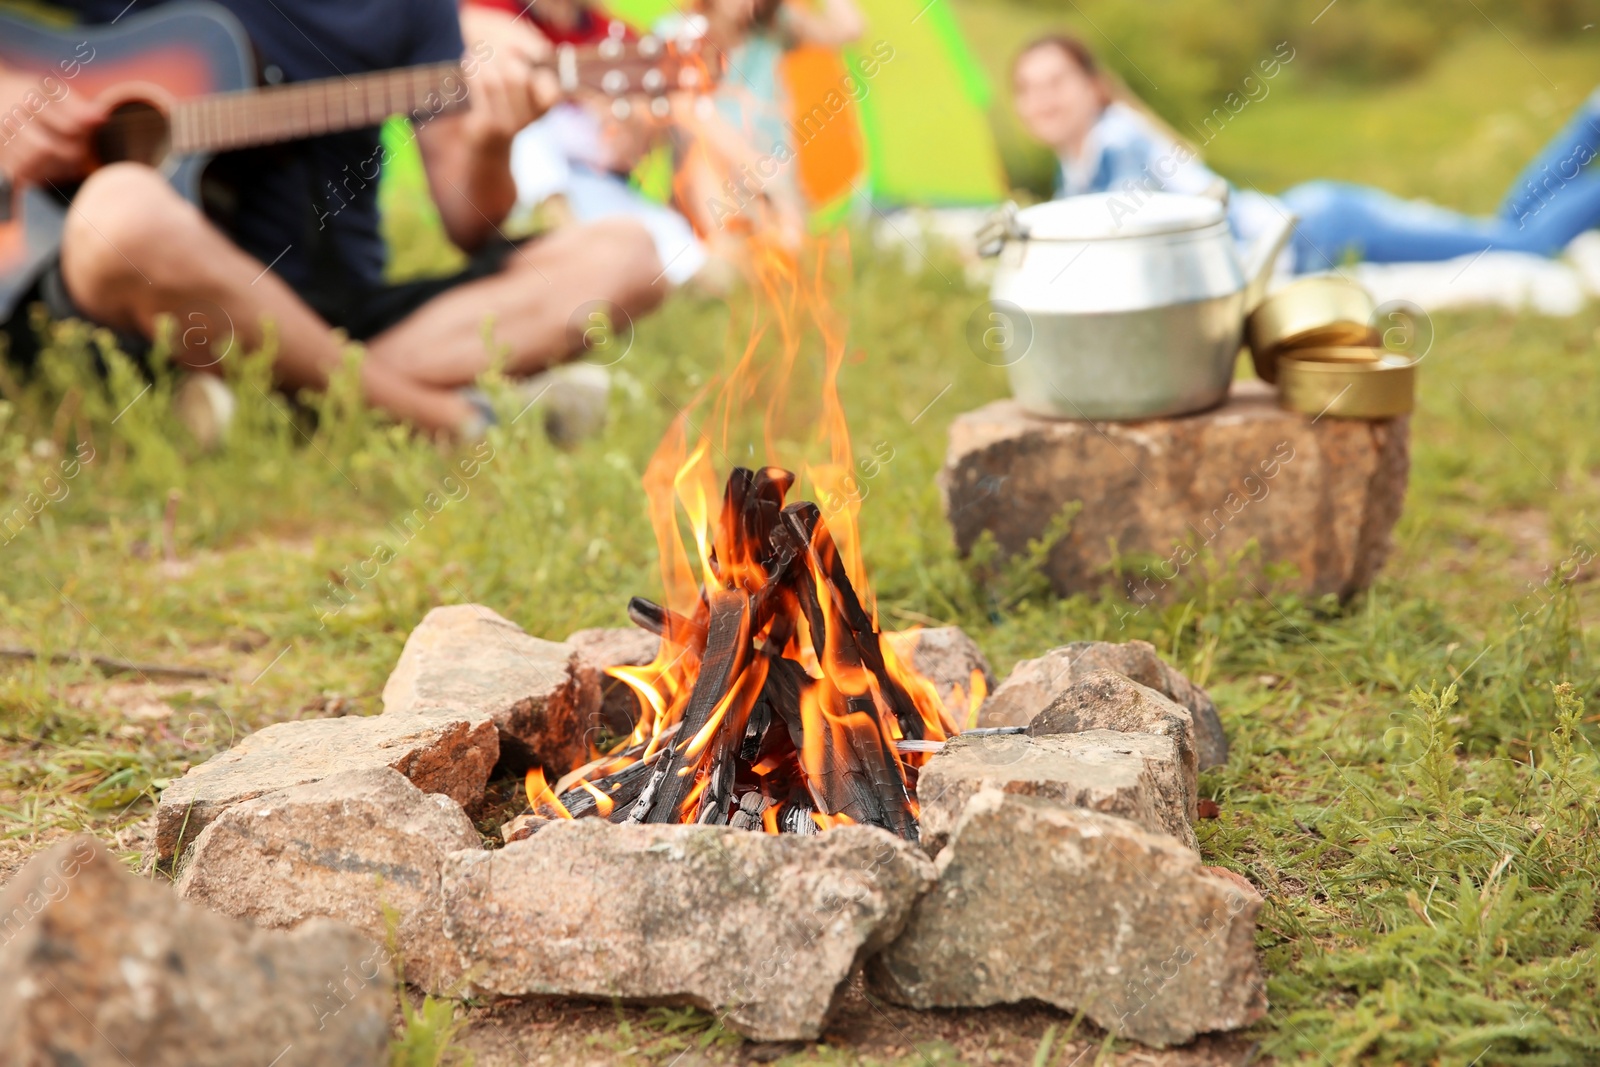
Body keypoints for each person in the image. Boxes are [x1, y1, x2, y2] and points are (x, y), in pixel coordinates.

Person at [0, 0, 668, 438]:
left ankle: (272, 404)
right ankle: (448, 419)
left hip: (336, 301)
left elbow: (469, 222)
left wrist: (494, 138)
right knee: (122, 210)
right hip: (142, 305)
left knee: (629, 254)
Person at [1011, 34, 1600, 273]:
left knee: (1526, 247)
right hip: (1311, 217)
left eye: (1055, 82)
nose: (1042, 100)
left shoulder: (1118, 142)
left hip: (1309, 232)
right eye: (1028, 89)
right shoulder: (1084, 157)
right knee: (1505, 232)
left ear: (1093, 86)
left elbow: (1114, 251)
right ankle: (1592, 119)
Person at [668, 0, 865, 256]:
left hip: (771, 164)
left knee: (788, 250)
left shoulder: (772, 28)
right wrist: (752, 163)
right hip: (718, 172)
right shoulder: (681, 34)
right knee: (706, 163)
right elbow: (687, 112)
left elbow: (850, 30)